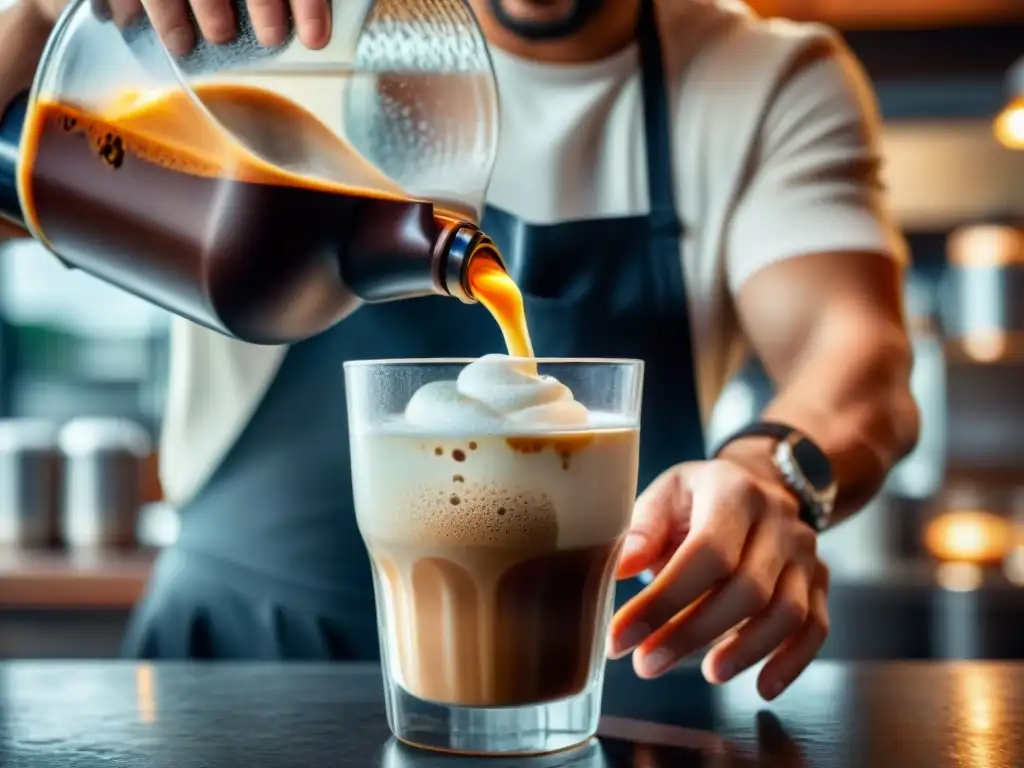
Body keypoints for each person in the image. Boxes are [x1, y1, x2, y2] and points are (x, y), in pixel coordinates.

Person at [0, 0, 918, 700]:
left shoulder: (766, 75)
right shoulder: (280, 24)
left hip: (572, 685)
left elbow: (855, 357)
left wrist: (771, 473)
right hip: (234, 670)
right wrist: (44, 14)